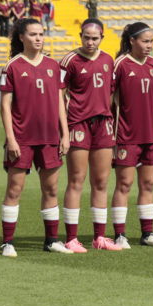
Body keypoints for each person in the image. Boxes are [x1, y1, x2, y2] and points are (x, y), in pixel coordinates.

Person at [0, 18, 72, 257]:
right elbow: (5, 106)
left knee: (51, 189)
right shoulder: (12, 66)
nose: (38, 38)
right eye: (33, 34)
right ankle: (7, 242)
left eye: (41, 34)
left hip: (50, 137)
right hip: (22, 138)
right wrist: (11, 138)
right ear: (21, 37)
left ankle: (51, 240)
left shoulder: (54, 65)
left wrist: (65, 133)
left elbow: (61, 102)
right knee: (14, 190)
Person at [58, 19, 120, 253]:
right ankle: (71, 238)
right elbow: (59, 96)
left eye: (95, 38)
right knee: (76, 180)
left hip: (103, 123)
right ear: (80, 35)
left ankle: (99, 238)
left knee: (101, 182)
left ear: (102, 38)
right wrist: (64, 131)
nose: (90, 41)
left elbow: (111, 94)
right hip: (78, 124)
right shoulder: (69, 60)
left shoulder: (108, 60)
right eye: (86, 37)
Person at [110, 22, 153, 249]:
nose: (149, 46)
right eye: (145, 41)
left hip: (151, 134)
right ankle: (120, 235)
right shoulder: (120, 65)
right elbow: (108, 98)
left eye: (151, 41)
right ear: (131, 41)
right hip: (126, 134)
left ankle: (147, 233)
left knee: (149, 184)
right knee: (124, 184)